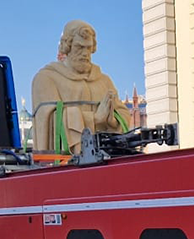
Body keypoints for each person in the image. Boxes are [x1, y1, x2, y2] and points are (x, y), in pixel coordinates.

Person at [31, 20, 129, 154]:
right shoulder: (46, 78)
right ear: (67, 47)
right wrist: (94, 119)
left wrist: (112, 120)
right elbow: (48, 123)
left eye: (88, 48)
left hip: (107, 158)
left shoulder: (104, 81)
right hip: (65, 165)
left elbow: (123, 114)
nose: (85, 53)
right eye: (79, 47)